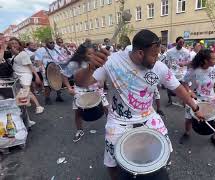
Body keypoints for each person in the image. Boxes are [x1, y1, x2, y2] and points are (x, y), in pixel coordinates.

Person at [74, 29, 204, 180]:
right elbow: (81, 82)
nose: (157, 58)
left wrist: (195, 107)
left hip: (148, 117)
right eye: (154, 55)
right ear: (140, 53)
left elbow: (179, 89)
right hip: (118, 120)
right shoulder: (111, 61)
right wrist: (91, 68)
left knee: (166, 150)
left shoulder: (159, 67)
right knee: (112, 162)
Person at [179, 49, 215, 151]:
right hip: (195, 99)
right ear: (205, 60)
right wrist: (189, 91)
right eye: (213, 59)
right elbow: (184, 82)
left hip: (211, 99)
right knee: (188, 119)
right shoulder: (193, 70)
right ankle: (187, 133)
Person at [61, 42, 109, 142]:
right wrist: (69, 88)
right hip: (80, 91)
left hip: (96, 89)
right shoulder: (74, 64)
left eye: (93, 53)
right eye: (89, 54)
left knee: (106, 108)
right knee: (78, 113)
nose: (92, 56)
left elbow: (102, 72)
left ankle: (111, 127)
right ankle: (79, 130)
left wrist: (102, 82)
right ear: (82, 54)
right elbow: (64, 76)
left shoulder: (96, 62)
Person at [9, 37, 44, 117]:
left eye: (15, 43)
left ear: (19, 44)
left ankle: (39, 106)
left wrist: (36, 76)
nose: (13, 45)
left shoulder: (23, 54)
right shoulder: (15, 54)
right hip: (19, 75)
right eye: (12, 43)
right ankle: (28, 102)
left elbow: (30, 65)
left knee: (27, 91)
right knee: (23, 91)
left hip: (25, 75)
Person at [34, 38, 64, 105]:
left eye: (53, 42)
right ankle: (47, 98)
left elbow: (60, 59)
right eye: (50, 43)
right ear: (46, 43)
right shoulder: (41, 50)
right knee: (47, 85)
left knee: (58, 82)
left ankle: (58, 96)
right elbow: (38, 60)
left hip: (56, 69)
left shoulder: (56, 50)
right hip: (46, 69)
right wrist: (41, 68)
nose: (52, 44)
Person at [166, 36, 192, 105]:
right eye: (180, 42)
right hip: (173, 72)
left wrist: (184, 63)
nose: (182, 43)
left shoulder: (186, 51)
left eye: (183, 42)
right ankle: (170, 100)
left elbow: (190, 62)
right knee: (169, 87)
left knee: (184, 88)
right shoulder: (169, 51)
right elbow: (167, 62)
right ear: (176, 42)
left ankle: (184, 100)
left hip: (182, 73)